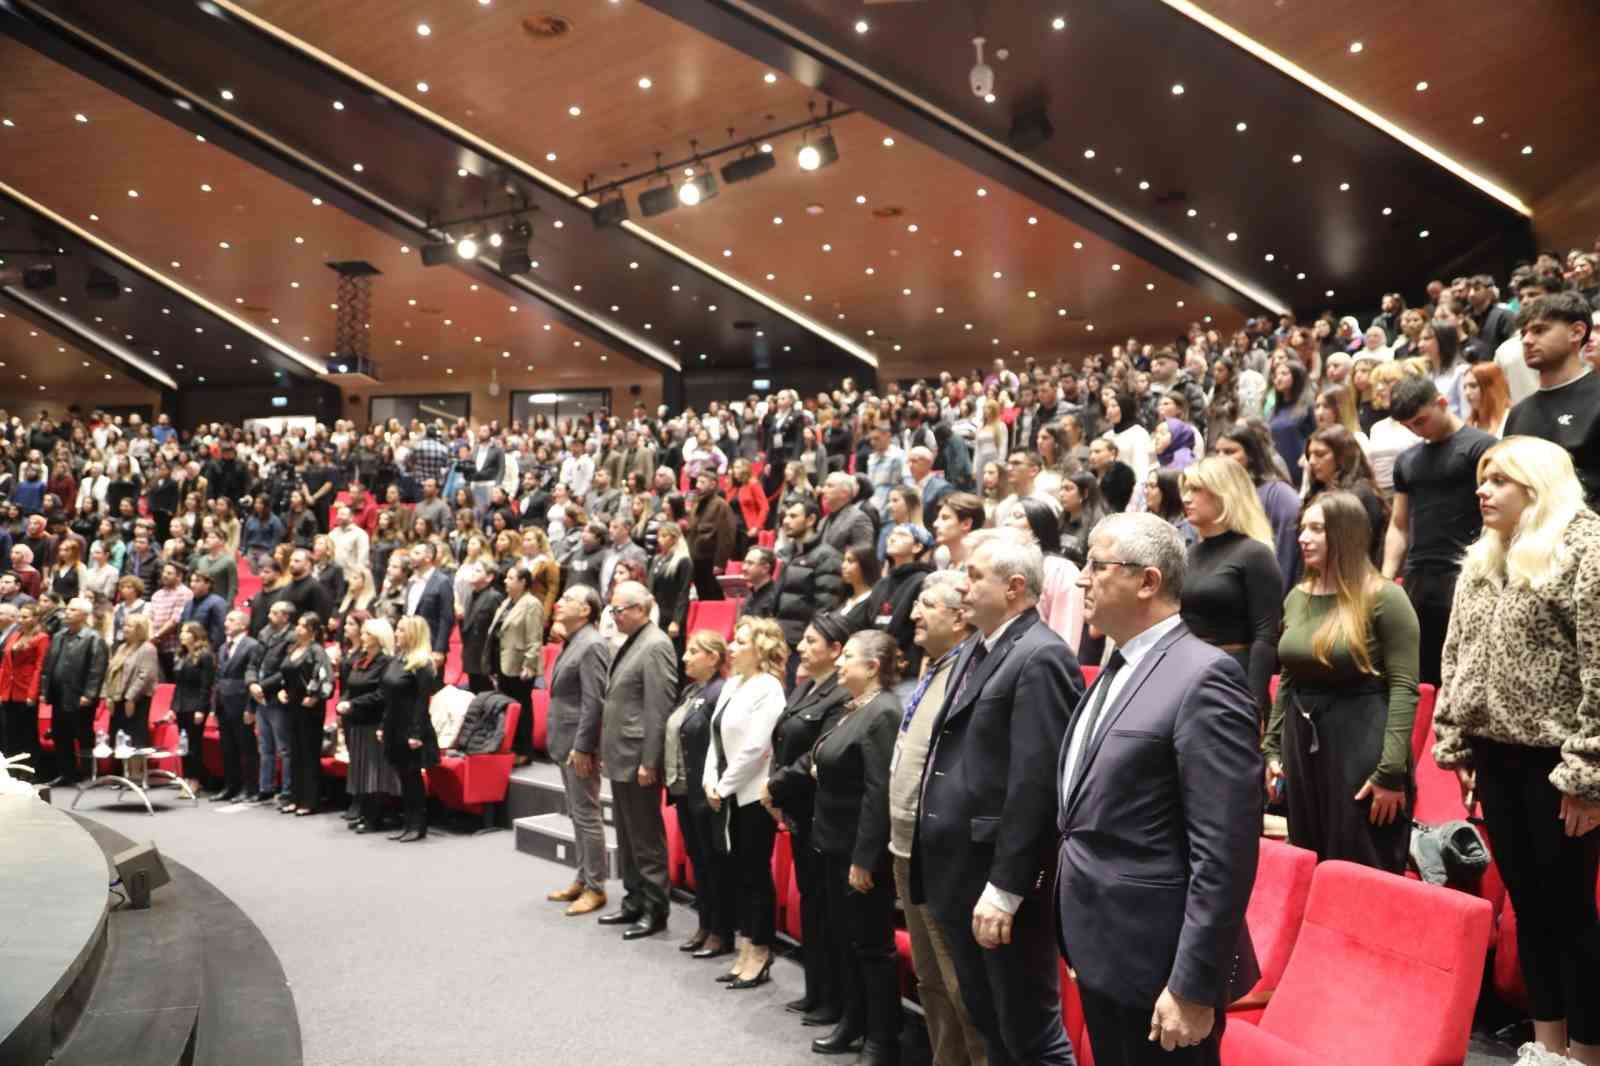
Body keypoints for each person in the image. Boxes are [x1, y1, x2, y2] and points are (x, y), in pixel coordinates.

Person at [1059, 513, 1262, 1065]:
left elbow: (1224, 851)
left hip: (1160, 966)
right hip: (1104, 948)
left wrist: (1194, 985)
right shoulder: (1119, 665)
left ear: (1148, 581)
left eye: (1097, 567)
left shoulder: (1205, 676)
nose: (1082, 579)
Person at [1433, 436, 1600, 1063]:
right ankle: (1546, 1045)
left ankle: (1586, 1052)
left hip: (1558, 764)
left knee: (1572, 915)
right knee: (1529, 910)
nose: (1483, 490)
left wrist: (1588, 775)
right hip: (1495, 757)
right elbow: (1457, 655)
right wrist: (1460, 743)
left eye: (1499, 479)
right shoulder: (1485, 557)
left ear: (1538, 482)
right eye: (1482, 478)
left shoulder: (1587, 547)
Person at [912, 529, 1082, 1066]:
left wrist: (1007, 887)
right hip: (959, 872)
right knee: (989, 1021)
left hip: (998, 882)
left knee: (1030, 1032)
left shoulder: (1041, 657)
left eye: (974, 576)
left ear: (1014, 588)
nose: (962, 587)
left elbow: (1035, 787)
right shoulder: (976, 648)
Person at [1264, 492, 1420, 872]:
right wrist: (1272, 747)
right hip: (1304, 747)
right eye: (1303, 527)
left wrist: (1390, 772)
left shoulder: (1385, 596)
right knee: (1311, 859)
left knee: (1362, 866)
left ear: (1346, 534)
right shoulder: (1297, 596)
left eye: (1317, 528)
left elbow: (1404, 688)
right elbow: (1288, 677)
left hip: (1362, 743)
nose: (1303, 537)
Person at [890, 572, 987, 1066]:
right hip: (906, 846)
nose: (913, 614)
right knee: (931, 984)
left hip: (942, 855)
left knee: (962, 989)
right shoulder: (935, 667)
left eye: (926, 604)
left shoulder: (973, 673)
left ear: (959, 614)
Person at [810, 630, 904, 1064]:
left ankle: (881, 1039)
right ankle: (854, 1019)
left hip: (857, 851)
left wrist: (866, 858)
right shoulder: (855, 708)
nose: (839, 662)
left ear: (872, 667)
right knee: (847, 940)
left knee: (871, 946)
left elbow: (878, 791)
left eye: (847, 656)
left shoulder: (883, 711)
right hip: (833, 842)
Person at [1382, 376, 1495, 687]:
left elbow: (1498, 518)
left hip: (1466, 573)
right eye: (1409, 426)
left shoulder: (1481, 447)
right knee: (1418, 675)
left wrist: (1483, 572)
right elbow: (1399, 524)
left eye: (1421, 420)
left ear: (1442, 403)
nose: (1418, 430)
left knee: (1464, 674)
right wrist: (1386, 578)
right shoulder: (1407, 459)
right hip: (1419, 577)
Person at [702, 617, 788, 988]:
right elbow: (715, 735)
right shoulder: (733, 684)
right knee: (738, 872)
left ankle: (760, 950)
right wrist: (710, 780)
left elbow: (756, 747)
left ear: (761, 649)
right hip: (727, 789)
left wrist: (723, 785)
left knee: (755, 875)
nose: (731, 648)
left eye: (740, 642)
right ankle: (745, 948)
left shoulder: (769, 688)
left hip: (752, 794)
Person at [597, 580, 678, 939]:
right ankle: (633, 900)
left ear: (641, 609)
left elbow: (658, 709)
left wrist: (651, 760)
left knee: (645, 836)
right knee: (628, 835)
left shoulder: (656, 645)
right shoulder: (633, 641)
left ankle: (655, 908)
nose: (613, 616)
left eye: (619, 610)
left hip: (638, 757)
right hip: (621, 753)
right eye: (611, 610)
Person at [1179, 458, 1284, 720]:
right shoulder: (1187, 554)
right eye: (1186, 489)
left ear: (1224, 494)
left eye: (1196, 489)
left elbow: (1265, 635)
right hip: (1189, 677)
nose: (1186, 498)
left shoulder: (1254, 554)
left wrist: (1254, 703)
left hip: (1232, 681)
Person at [545, 585, 613, 915]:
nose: (560, 602)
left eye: (569, 599)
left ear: (586, 610)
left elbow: (594, 701)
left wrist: (584, 746)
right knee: (577, 813)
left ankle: (597, 887)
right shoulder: (574, 640)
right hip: (565, 741)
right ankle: (583, 878)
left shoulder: (592, 644)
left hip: (578, 746)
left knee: (586, 815)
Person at [665, 630, 732, 958]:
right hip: (684, 790)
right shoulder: (692, 690)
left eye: (694, 652)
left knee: (714, 863)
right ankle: (705, 924)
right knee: (699, 861)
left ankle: (721, 930)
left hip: (706, 792)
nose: (685, 657)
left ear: (714, 658)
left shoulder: (720, 692)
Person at [1506, 291, 1600, 505]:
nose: (1527, 341)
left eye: (1539, 330)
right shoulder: (1518, 413)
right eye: (1524, 334)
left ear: (1576, 332)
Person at [261, 611, 335, 816]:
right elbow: (286, 675)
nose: (297, 629)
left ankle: (310, 800)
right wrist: (283, 690)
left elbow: (326, 679)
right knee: (294, 753)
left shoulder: (316, 651)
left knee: (308, 753)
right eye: (298, 625)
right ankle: (295, 797)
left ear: (312, 631)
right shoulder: (293, 648)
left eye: (302, 626)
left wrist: (315, 696)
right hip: (292, 706)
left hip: (309, 709)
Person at [382, 616, 442, 841]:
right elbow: (388, 696)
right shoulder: (398, 659)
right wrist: (383, 725)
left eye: (401, 630)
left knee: (412, 777)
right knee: (403, 777)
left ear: (413, 634)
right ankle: (408, 823)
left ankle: (418, 825)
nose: (396, 633)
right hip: (394, 725)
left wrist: (416, 734)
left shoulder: (422, 664)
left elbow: (421, 701)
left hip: (411, 728)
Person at [335, 615, 396, 832]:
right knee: (360, 770)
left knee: (374, 771)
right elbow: (349, 686)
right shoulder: (361, 659)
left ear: (379, 638)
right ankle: (364, 811)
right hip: (356, 721)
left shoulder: (386, 662)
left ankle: (375, 816)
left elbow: (382, 694)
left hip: (373, 721)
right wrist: (343, 703)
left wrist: (352, 704)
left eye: (367, 633)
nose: (363, 636)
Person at [42, 597, 108, 784]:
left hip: (80, 696)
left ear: (84, 615)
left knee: (83, 734)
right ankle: (67, 773)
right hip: (58, 694)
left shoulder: (93, 638)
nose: (67, 613)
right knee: (60, 734)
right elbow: (48, 667)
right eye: (67, 609)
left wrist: (89, 694)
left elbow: (97, 669)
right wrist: (45, 691)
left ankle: (88, 774)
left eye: (72, 610)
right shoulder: (58, 636)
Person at [1006, 497, 1085, 651]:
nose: (1007, 522)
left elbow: (1065, 635)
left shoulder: (1060, 569)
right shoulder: (999, 567)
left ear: (1038, 525)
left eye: (1017, 516)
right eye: (1007, 516)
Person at [486, 566, 546, 765]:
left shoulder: (532, 604)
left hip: (519, 665)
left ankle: (524, 750)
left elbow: (534, 637)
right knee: (508, 706)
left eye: (511, 578)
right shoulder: (507, 602)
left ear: (523, 582)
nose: (505, 581)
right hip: (503, 663)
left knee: (522, 707)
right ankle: (510, 746)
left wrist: (530, 663)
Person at [864, 524, 935, 674]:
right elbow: (869, 621)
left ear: (917, 547)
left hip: (906, 667)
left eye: (902, 535)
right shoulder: (881, 584)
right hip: (876, 665)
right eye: (891, 534)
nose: (892, 538)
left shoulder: (923, 580)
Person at [248, 600, 296, 803]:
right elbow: (253, 663)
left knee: (284, 748)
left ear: (286, 617)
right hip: (260, 697)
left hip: (276, 696)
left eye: (275, 613)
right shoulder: (264, 632)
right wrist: (251, 683)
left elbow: (285, 670)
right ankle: (265, 786)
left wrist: (262, 686)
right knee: (265, 746)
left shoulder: (292, 637)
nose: (269, 616)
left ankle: (287, 789)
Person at [212, 609, 261, 802]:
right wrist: (214, 707)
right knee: (228, 748)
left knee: (246, 748)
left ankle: (250, 788)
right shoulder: (224, 647)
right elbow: (218, 679)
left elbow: (253, 677)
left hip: (241, 703)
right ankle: (231, 786)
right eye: (226, 619)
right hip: (224, 703)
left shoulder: (252, 646)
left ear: (242, 625)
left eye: (231, 620)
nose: (226, 623)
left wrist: (251, 708)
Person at [0, 602, 49, 774]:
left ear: (36, 619)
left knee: (27, 734)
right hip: (9, 691)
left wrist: (32, 693)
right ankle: (12, 771)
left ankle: (30, 771)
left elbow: (40, 666)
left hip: (26, 690)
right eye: (20, 616)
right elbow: (6, 665)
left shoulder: (41, 637)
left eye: (26, 617)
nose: (21, 620)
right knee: (10, 734)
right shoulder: (15, 635)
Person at [102, 611, 159, 754]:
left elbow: (144, 676)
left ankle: (136, 774)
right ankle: (121, 773)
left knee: (134, 739)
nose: (124, 628)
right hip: (117, 700)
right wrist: (108, 696)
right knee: (117, 738)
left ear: (140, 629)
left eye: (129, 626)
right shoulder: (122, 648)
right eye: (124, 625)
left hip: (136, 701)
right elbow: (110, 672)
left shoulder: (147, 648)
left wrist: (130, 697)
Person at [172, 620, 218, 793]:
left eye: (186, 632)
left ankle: (195, 779)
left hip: (196, 706)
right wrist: (172, 707)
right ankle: (186, 776)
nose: (182, 635)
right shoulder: (182, 654)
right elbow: (178, 685)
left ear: (196, 635)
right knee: (183, 744)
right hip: (181, 705)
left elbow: (206, 685)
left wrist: (201, 708)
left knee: (194, 745)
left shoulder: (205, 655)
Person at [688, 470, 736, 602]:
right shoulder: (697, 504)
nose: (698, 485)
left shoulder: (721, 505)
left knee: (713, 596)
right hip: (696, 561)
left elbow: (726, 537)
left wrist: (720, 563)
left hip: (710, 562)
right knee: (702, 595)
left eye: (702, 482)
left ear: (713, 484)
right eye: (697, 481)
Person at [457, 566, 504, 694]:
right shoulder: (471, 594)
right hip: (471, 654)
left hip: (485, 658)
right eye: (473, 569)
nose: (472, 573)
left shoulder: (494, 597)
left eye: (477, 570)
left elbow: (499, 631)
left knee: (485, 695)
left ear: (489, 577)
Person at [649, 522, 693, 642]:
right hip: (656, 612)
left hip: (671, 613)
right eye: (659, 536)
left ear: (674, 538)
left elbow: (683, 593)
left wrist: (676, 621)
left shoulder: (683, 561)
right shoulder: (656, 559)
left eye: (664, 536)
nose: (659, 540)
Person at [737, 546, 779, 621]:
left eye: (750, 563)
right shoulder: (750, 594)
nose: (744, 568)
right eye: (744, 563)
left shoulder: (775, 597)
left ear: (765, 569)